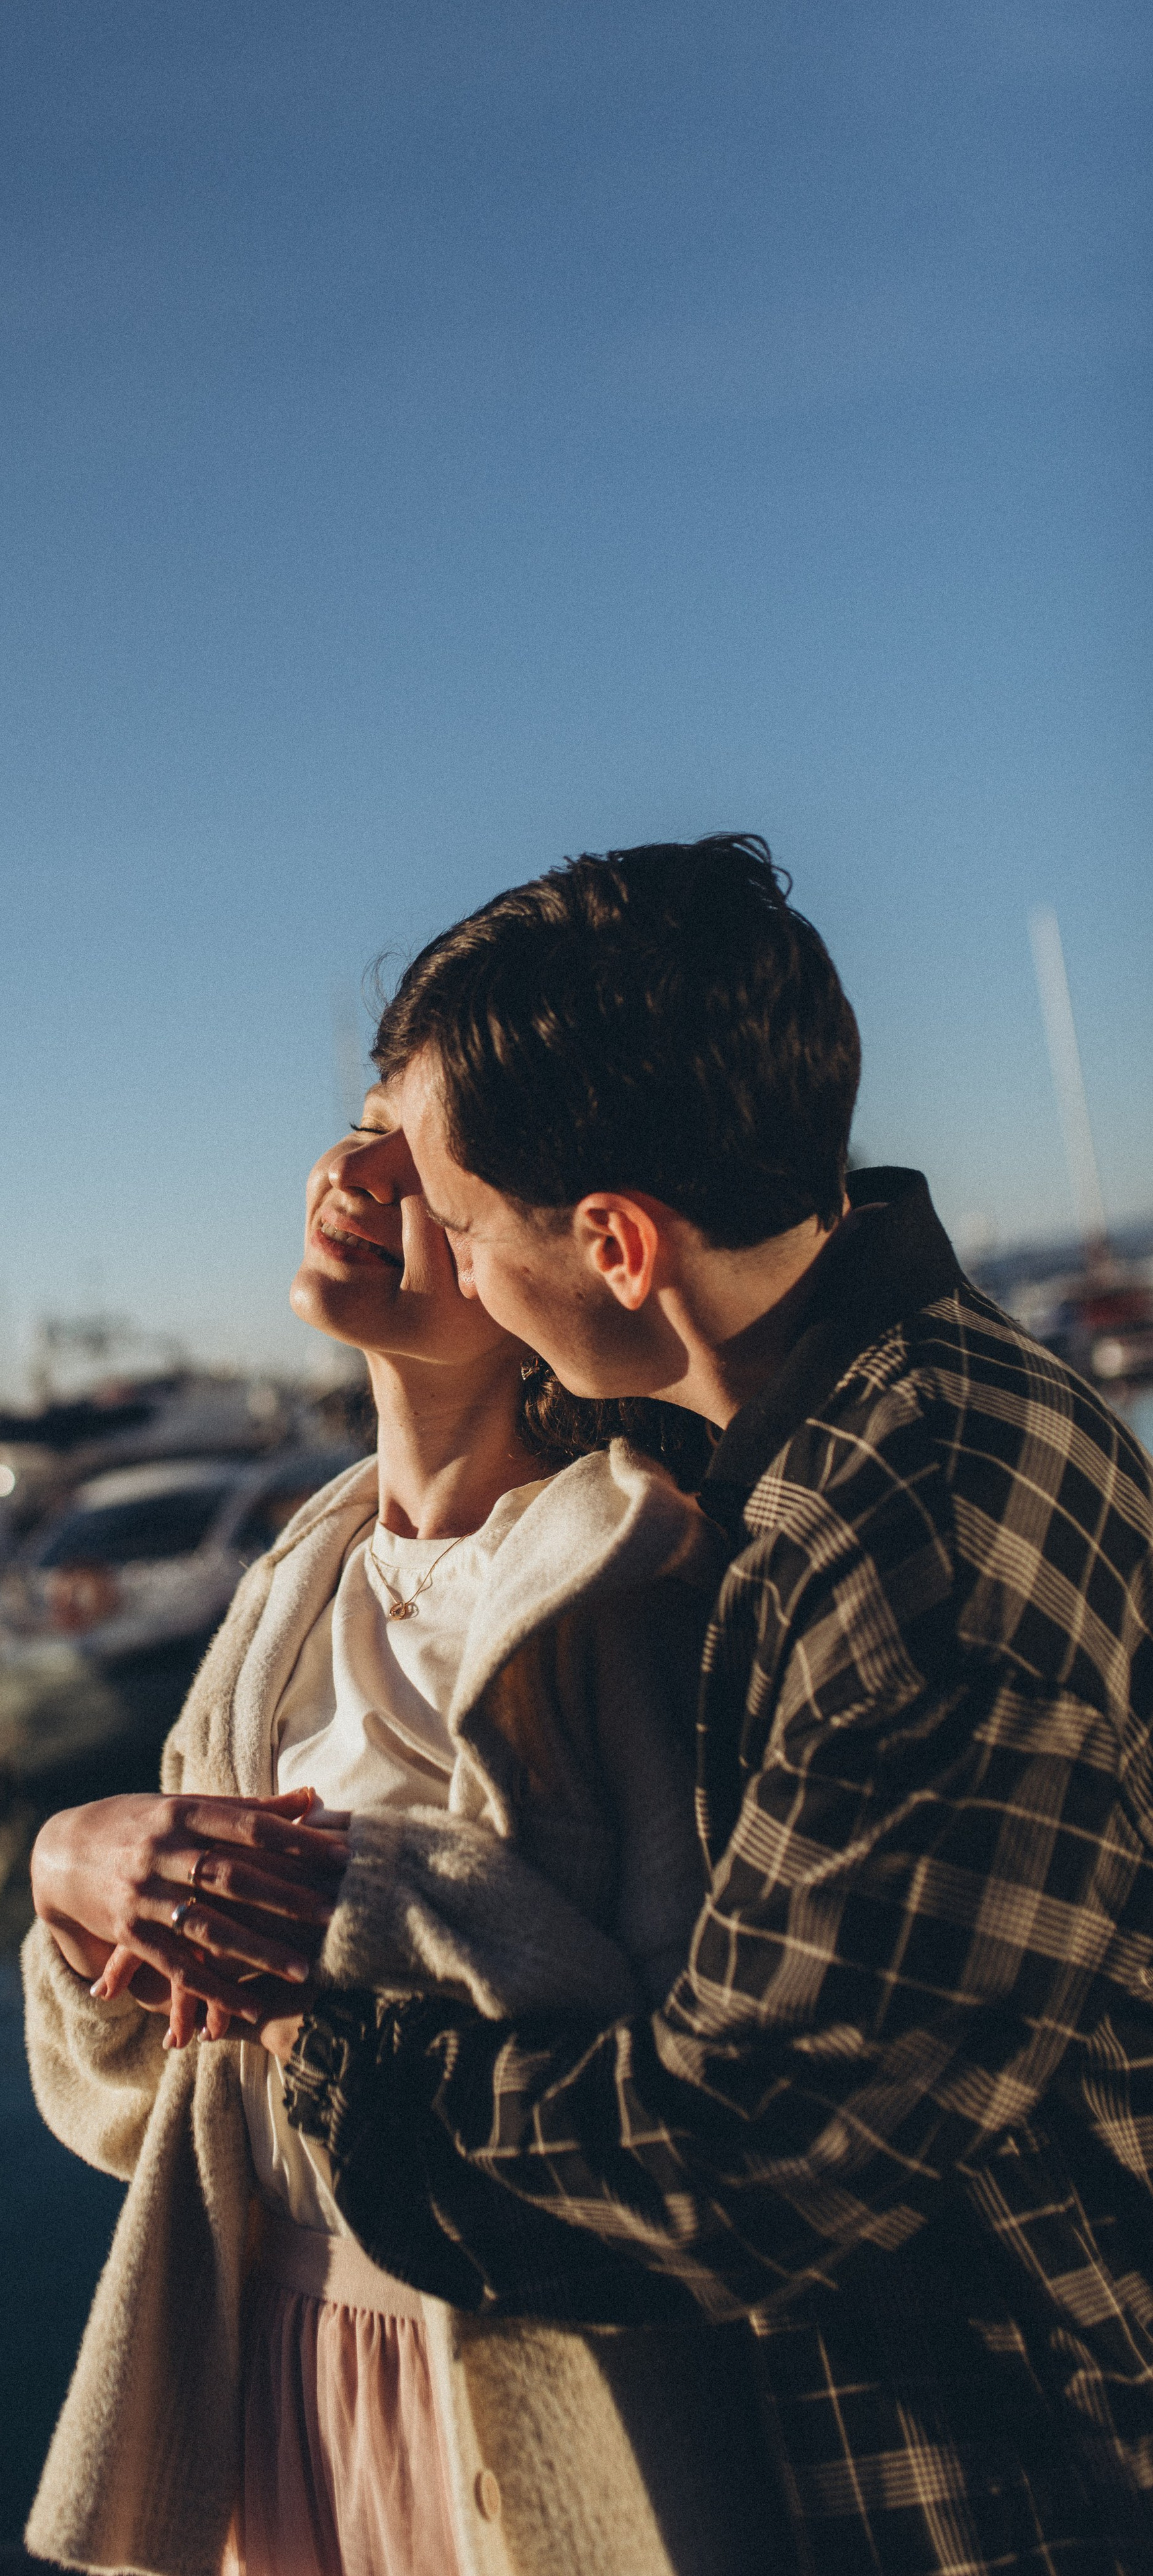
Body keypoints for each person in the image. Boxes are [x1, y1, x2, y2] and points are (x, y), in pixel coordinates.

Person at [263, 835, 1153, 2576]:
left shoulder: (916, 1526)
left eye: (454, 1223)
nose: (438, 1255)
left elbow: (759, 2153)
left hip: (1037, 2505)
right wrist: (407, 1334)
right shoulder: (772, 1435)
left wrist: (336, 2055)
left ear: (613, 1238)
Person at [19, 1083, 786, 2576]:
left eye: (423, 1159)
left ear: (540, 1258)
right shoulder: (289, 1586)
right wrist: (71, 1864)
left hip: (524, 2378)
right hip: (266, 2360)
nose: (355, 1169)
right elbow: (133, 2094)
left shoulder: (632, 1575)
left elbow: (681, 2061)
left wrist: (334, 1900)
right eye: (356, 1118)